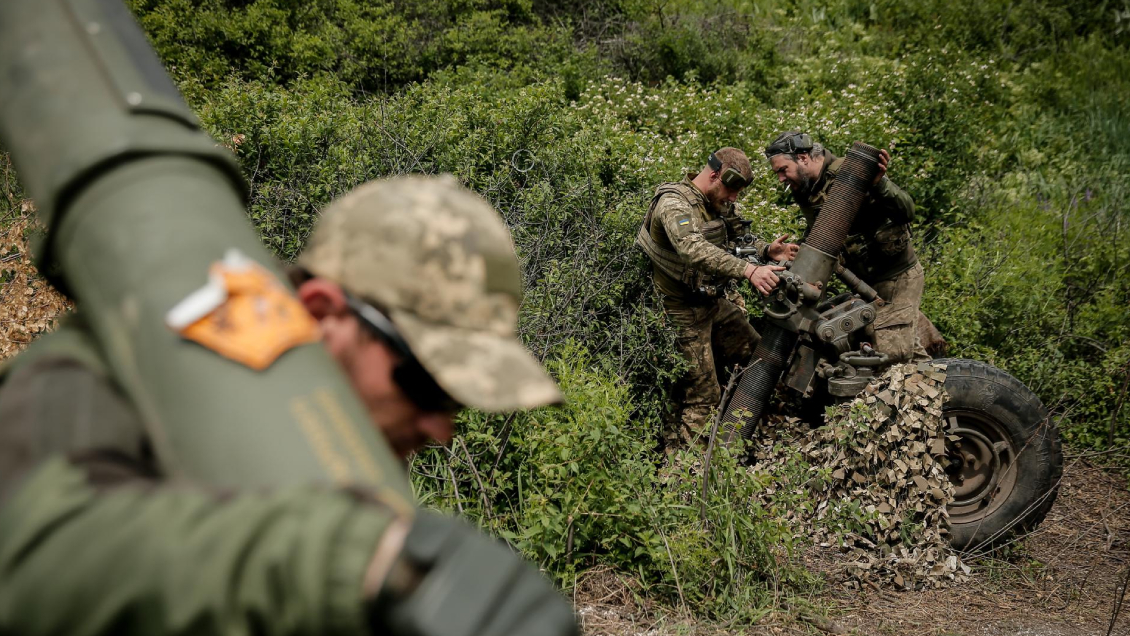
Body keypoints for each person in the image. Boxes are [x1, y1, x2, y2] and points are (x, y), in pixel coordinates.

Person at [0, 175, 576, 635]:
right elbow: (32, 562)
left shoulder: (342, 441)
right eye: (426, 385)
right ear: (325, 315)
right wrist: (361, 563)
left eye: (457, 400)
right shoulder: (116, 362)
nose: (442, 429)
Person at [636, 147, 797, 448]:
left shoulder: (715, 203)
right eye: (731, 189)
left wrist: (766, 251)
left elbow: (735, 235)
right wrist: (750, 271)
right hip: (680, 314)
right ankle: (685, 478)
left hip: (711, 303)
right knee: (702, 398)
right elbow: (693, 249)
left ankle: (754, 436)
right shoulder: (673, 204)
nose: (734, 198)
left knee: (756, 356)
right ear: (714, 175)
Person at [764, 131, 930, 363]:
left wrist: (879, 184)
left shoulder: (851, 172)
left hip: (895, 279)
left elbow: (907, 210)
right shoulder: (806, 188)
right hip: (863, 283)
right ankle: (947, 394)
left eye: (783, 170)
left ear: (803, 158)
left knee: (893, 359)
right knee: (905, 354)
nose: (781, 179)